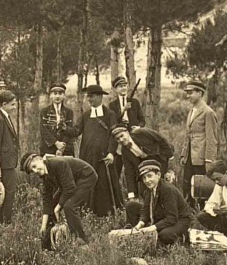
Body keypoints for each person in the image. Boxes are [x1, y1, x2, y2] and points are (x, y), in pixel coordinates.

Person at [21, 152, 95, 249]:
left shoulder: (57, 163)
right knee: (52, 204)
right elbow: (47, 199)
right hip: (69, 183)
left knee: (69, 206)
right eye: (32, 170)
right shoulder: (44, 175)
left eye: (34, 166)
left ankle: (82, 242)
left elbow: (70, 188)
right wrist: (43, 225)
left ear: (40, 159)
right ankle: (48, 244)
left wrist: (58, 207)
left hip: (86, 177)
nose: (36, 171)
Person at [111, 124, 175, 225]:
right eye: (118, 139)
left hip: (159, 160)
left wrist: (170, 159)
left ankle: (168, 217)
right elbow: (129, 172)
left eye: (122, 136)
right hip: (143, 169)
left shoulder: (141, 133)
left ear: (127, 133)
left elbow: (160, 139)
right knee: (147, 193)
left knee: (163, 189)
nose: (121, 139)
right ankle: (150, 219)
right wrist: (131, 194)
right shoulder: (124, 151)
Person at [76, 84, 121, 217]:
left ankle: (107, 214)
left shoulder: (109, 114)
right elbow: (76, 131)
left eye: (92, 96)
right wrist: (63, 129)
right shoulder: (85, 116)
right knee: (87, 183)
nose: (89, 99)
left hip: (104, 158)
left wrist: (111, 153)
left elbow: (114, 135)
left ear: (100, 96)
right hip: (87, 158)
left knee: (104, 184)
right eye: (88, 96)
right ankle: (88, 213)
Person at [131, 158, 194, 246]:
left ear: (158, 175)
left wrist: (151, 228)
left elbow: (172, 218)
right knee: (131, 206)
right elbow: (145, 210)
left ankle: (183, 237)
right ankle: (135, 234)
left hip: (180, 219)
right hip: (163, 215)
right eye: (144, 178)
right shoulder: (150, 188)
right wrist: (140, 224)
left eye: (149, 176)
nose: (147, 181)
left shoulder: (168, 190)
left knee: (164, 235)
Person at [181, 79, 220, 208]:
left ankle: (201, 214)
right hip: (189, 158)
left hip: (201, 159)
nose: (188, 96)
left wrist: (209, 161)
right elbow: (188, 135)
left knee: (200, 188)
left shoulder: (208, 113)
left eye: (191, 93)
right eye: (187, 93)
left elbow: (212, 139)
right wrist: (183, 154)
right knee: (186, 186)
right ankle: (188, 214)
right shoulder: (192, 111)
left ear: (200, 93)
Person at [0, 90, 21, 224]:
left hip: (8, 162)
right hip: (4, 164)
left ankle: (2, 221)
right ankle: (4, 222)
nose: (15, 107)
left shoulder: (5, 117)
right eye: (12, 105)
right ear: (4, 104)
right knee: (6, 193)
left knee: (8, 192)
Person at [40, 83, 78, 157]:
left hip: (66, 148)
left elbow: (69, 130)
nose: (57, 96)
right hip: (49, 148)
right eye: (55, 93)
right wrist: (56, 143)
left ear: (64, 96)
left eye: (60, 93)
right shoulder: (44, 112)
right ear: (51, 95)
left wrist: (61, 147)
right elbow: (44, 130)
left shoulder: (69, 112)